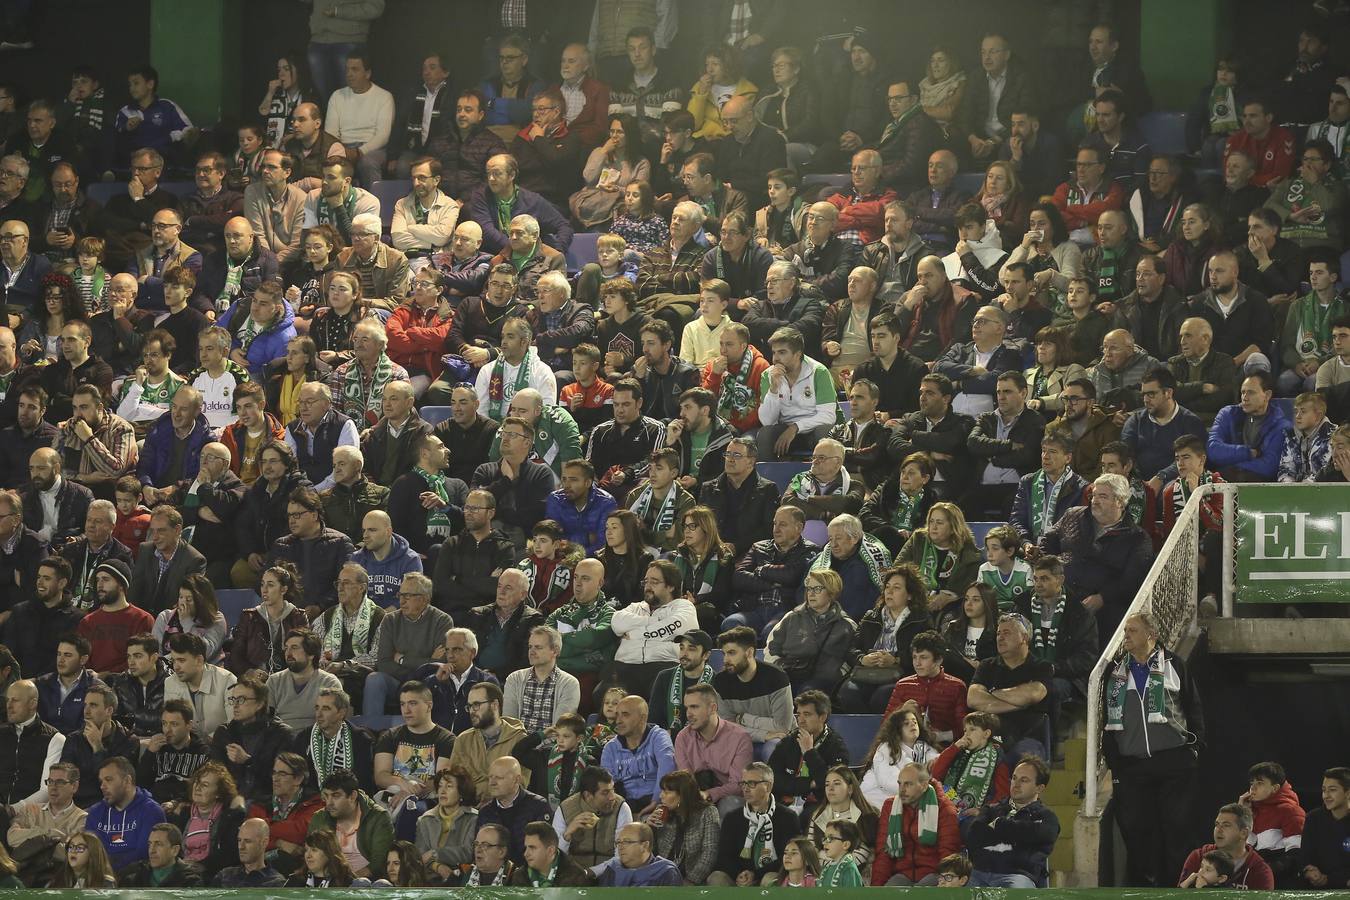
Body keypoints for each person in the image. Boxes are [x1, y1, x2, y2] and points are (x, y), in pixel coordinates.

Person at [1099, 611, 1207, 887]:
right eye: (1125, 631)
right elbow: (1106, 718)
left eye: (1132, 631)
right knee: (1137, 830)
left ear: (1151, 635)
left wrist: (1194, 749)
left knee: (1178, 828)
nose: (1126, 637)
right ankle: (1149, 886)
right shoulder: (1115, 671)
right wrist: (1115, 761)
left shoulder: (1175, 665)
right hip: (1133, 766)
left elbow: (1192, 707)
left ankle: (1180, 885)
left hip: (1174, 762)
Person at [964, 755, 1059, 887]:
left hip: (1017, 876)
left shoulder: (1046, 817)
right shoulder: (991, 810)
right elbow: (973, 837)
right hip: (979, 872)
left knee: (1014, 890)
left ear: (1039, 788)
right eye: (1014, 778)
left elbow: (1037, 834)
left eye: (1024, 780)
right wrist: (1016, 834)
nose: (1016, 784)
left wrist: (998, 825)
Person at [84, 755, 166, 873]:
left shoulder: (151, 811)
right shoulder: (95, 813)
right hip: (101, 879)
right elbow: (92, 852)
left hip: (137, 881)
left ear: (127, 781)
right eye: (101, 781)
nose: (102, 786)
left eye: (108, 779)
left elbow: (144, 854)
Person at [1206, 372, 1289, 482]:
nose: (1245, 398)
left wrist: (1231, 465)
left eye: (1251, 393)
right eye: (1243, 392)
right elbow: (1213, 450)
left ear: (1267, 395)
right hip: (1224, 482)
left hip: (1256, 486)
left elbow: (1269, 466)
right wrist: (1248, 453)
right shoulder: (1227, 414)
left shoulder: (1281, 426)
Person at [1178, 803, 1274, 890]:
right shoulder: (1198, 857)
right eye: (1217, 824)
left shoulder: (1260, 872)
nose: (1218, 830)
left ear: (1244, 833)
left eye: (1226, 825)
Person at [162, 630, 235, 737]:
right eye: (173, 661)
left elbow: (234, 725)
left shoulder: (227, 681)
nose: (176, 667)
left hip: (221, 747)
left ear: (199, 660)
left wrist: (211, 740)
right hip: (188, 748)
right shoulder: (170, 683)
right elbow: (171, 724)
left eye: (181, 660)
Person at [137, 698, 211, 803]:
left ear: (189, 725)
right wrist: (149, 754)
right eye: (164, 723)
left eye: (174, 724)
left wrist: (175, 803)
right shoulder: (157, 749)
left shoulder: (203, 753)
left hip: (183, 808)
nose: (168, 730)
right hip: (154, 806)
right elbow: (140, 785)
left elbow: (203, 791)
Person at [212, 817, 286, 887]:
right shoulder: (224, 876)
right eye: (239, 840)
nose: (241, 847)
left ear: (264, 842)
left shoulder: (275, 883)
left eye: (248, 841)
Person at [49, 829, 118, 887]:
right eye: (71, 847)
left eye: (79, 848)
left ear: (92, 853)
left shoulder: (106, 883)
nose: (73, 851)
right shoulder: (58, 879)